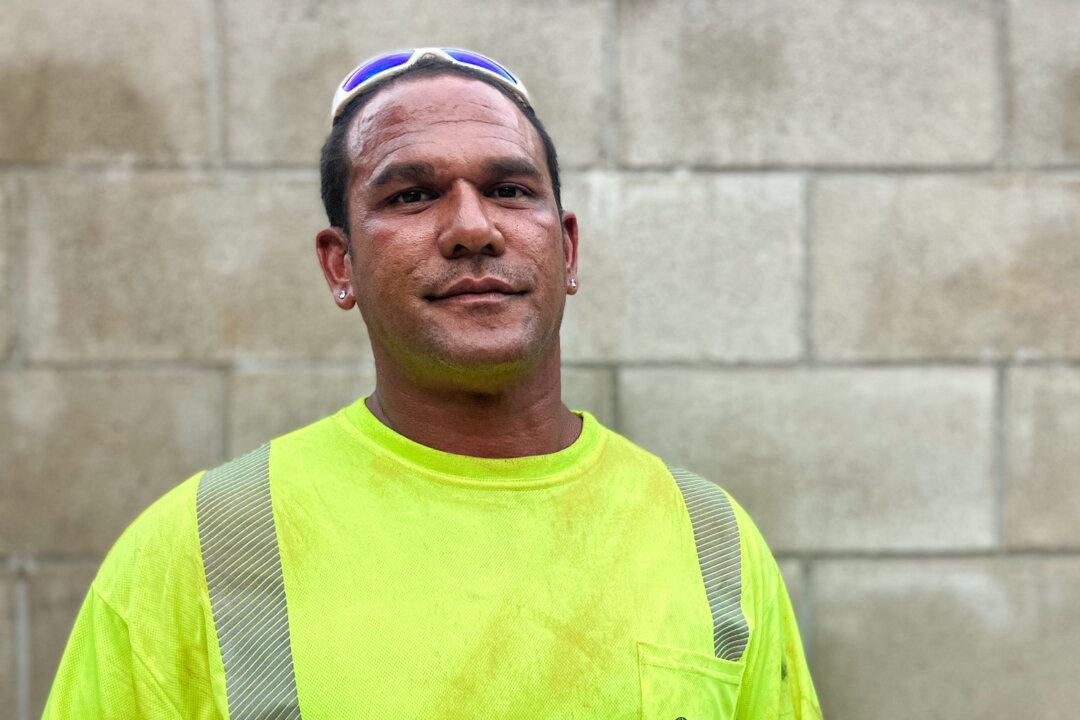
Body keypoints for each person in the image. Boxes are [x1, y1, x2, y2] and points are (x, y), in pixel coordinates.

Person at [43, 48, 822, 719]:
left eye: (512, 190)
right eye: (411, 195)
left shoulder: (711, 540)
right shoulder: (195, 552)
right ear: (339, 264)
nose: (473, 228)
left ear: (569, 250)